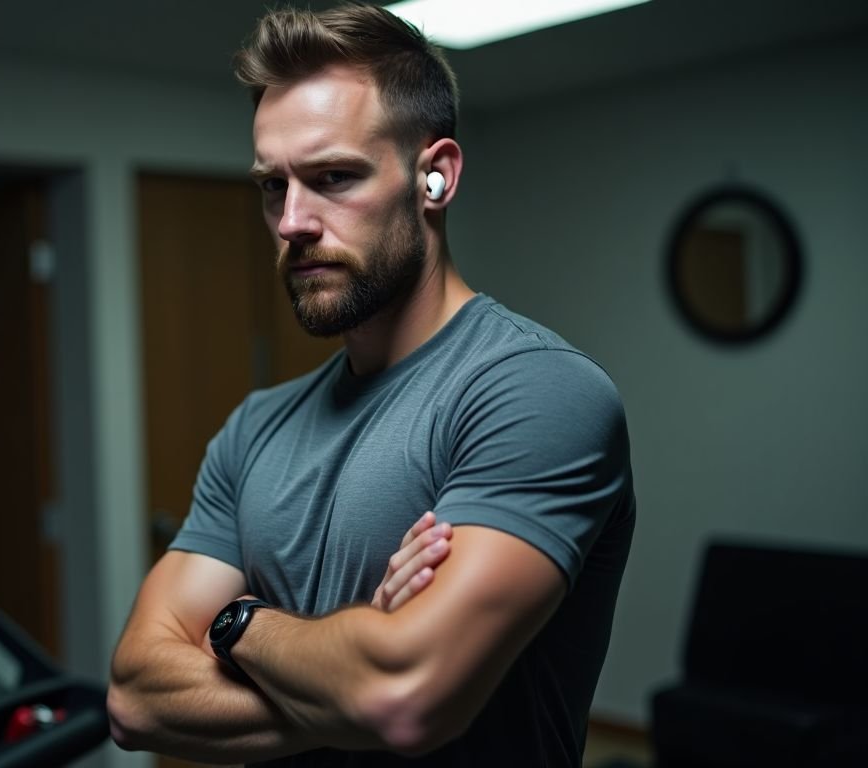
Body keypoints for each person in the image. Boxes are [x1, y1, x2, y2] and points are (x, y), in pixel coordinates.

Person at [107, 3, 635, 766]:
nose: (292, 221)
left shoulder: (535, 392)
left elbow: (404, 694)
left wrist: (238, 623)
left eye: (332, 178)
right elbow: (134, 694)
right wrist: (349, 673)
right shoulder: (254, 429)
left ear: (435, 176)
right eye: (272, 187)